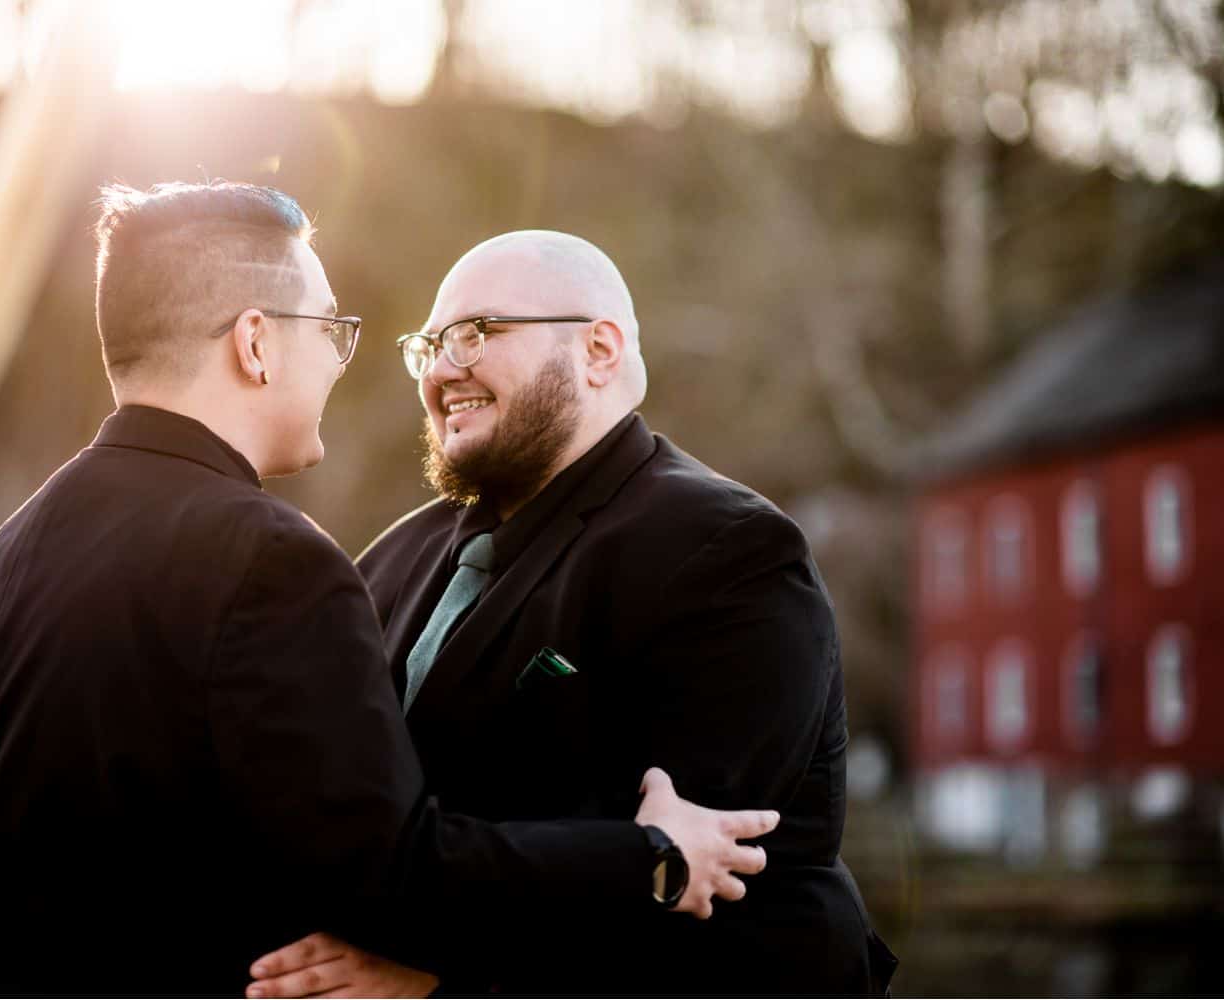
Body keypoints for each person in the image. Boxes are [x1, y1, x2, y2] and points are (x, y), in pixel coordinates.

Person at [0, 186, 779, 995]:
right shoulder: (268, 561)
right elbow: (392, 873)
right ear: (256, 343)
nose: (339, 363)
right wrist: (651, 860)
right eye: (329, 330)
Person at [249, 231, 898, 996]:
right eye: (429, 346)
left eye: (476, 333)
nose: (442, 369)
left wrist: (433, 973)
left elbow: (690, 883)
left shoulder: (729, 552)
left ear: (599, 351)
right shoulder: (393, 560)